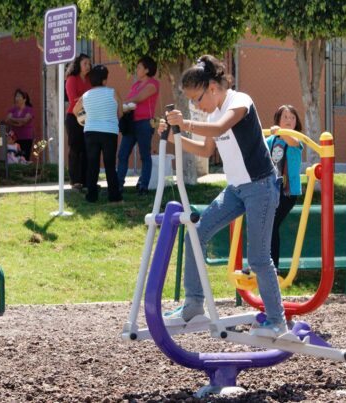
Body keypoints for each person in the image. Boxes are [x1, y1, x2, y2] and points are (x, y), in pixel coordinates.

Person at [161, 55, 287, 338]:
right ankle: (194, 306)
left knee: (258, 258)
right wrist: (173, 136)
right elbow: (207, 151)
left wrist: (185, 124)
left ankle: (277, 321)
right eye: (191, 102)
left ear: (212, 88)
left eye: (196, 99)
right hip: (236, 189)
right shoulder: (212, 115)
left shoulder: (240, 101)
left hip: (261, 187)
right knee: (196, 234)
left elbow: (220, 129)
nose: (196, 106)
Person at [73, 64, 123, 203]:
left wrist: (85, 119)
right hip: (109, 131)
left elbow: (75, 110)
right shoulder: (113, 92)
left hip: (90, 131)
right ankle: (114, 197)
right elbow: (120, 113)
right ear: (104, 80)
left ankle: (91, 196)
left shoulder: (85, 95)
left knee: (92, 164)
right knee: (110, 165)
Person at [266, 105, 304, 270]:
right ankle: (263, 263)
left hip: (288, 192)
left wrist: (281, 132)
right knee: (265, 225)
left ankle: (273, 265)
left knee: (271, 224)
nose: (289, 120)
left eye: (292, 118)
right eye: (285, 117)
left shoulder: (296, 139)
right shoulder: (272, 140)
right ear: (278, 120)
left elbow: (292, 141)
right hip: (271, 190)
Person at [117, 56, 160, 195]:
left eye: (139, 67)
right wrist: (124, 106)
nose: (137, 69)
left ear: (147, 70)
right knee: (122, 154)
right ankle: (118, 185)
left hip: (145, 123)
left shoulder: (153, 84)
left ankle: (143, 186)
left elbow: (138, 98)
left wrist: (123, 104)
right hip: (131, 123)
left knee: (144, 155)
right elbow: (130, 102)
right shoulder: (135, 85)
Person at [65, 53, 92, 190]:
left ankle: (86, 180)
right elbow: (73, 100)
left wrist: (83, 98)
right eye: (85, 63)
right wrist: (87, 97)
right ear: (78, 65)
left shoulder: (90, 79)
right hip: (73, 117)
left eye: (89, 63)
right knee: (75, 148)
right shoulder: (71, 79)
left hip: (88, 117)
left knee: (87, 148)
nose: (88, 66)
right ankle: (75, 180)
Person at [5, 89, 35, 161]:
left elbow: (25, 120)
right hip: (14, 139)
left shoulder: (29, 109)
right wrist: (19, 123)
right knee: (14, 158)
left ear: (24, 99)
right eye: (16, 96)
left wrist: (13, 119)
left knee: (24, 158)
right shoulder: (13, 109)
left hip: (26, 138)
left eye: (18, 96)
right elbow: (7, 120)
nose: (16, 98)